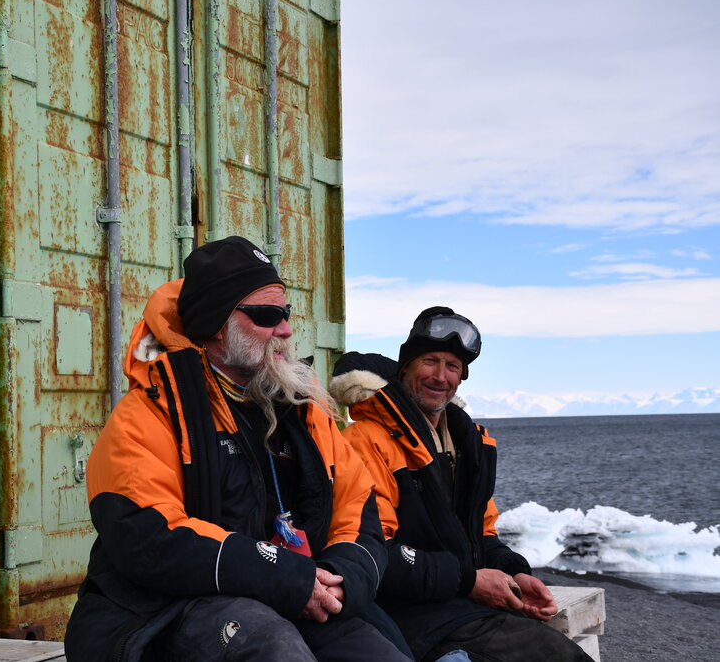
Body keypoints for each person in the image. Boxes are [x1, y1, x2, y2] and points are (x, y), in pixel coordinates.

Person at [64, 236, 410, 661]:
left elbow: (357, 507)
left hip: (291, 593)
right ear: (215, 324)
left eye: (285, 313)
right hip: (161, 609)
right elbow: (143, 532)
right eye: (266, 316)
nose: (284, 330)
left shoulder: (304, 410)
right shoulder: (150, 410)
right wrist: (281, 576)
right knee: (271, 647)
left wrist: (341, 577)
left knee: (381, 653)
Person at [328, 307, 594, 662]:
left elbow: (480, 536)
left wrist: (514, 572)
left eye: (452, 367)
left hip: (460, 603)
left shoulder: (467, 444)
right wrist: (469, 582)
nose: (440, 376)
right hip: (409, 613)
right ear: (404, 367)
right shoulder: (365, 441)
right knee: (556, 655)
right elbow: (376, 555)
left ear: (462, 377)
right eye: (430, 361)